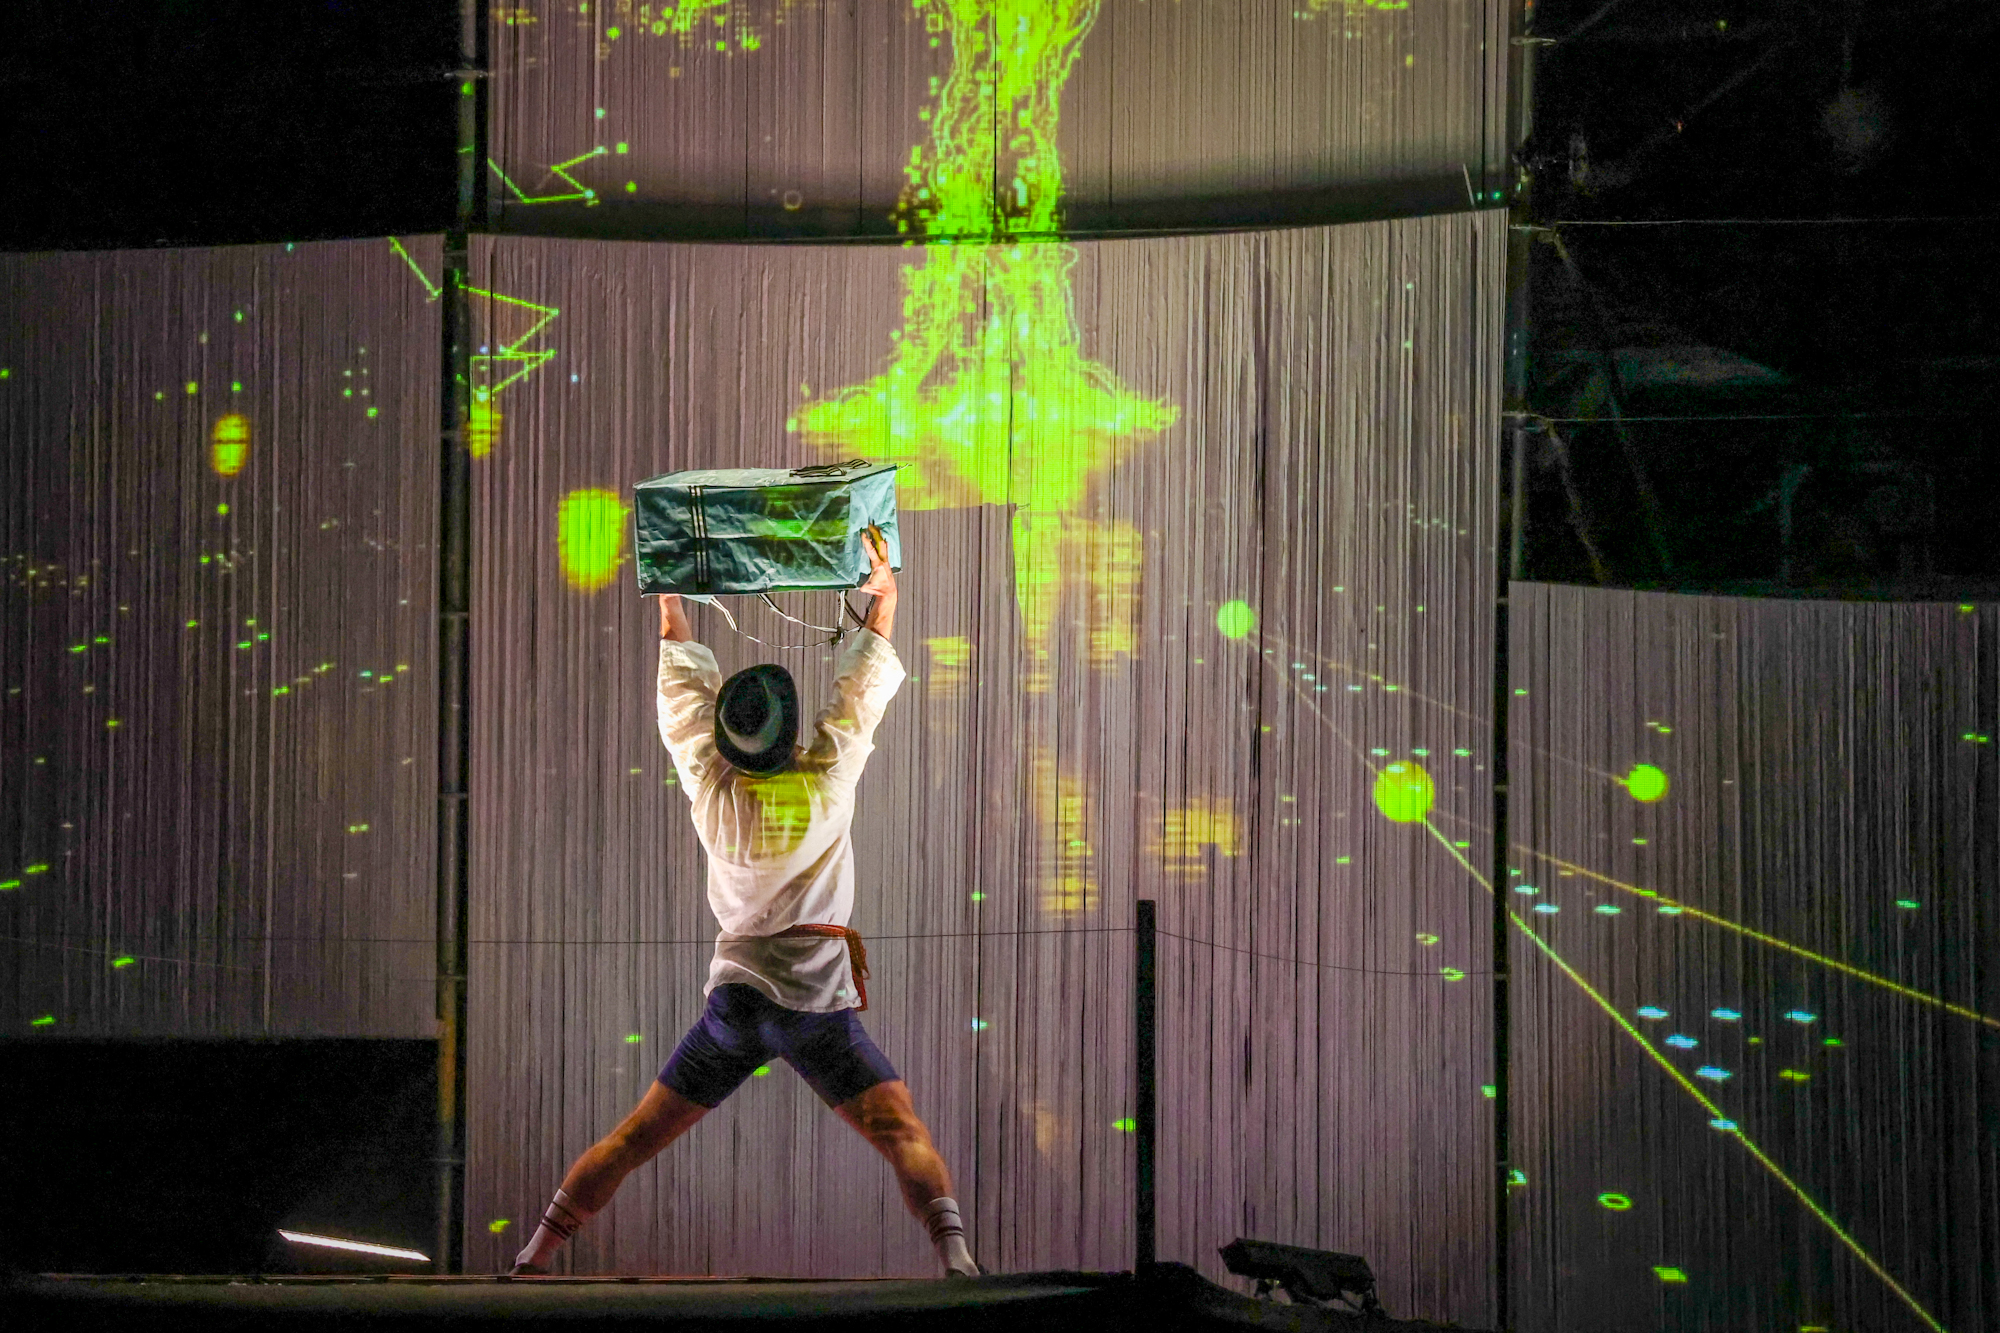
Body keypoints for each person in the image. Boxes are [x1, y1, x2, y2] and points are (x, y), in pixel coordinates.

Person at [511, 528, 977, 1279]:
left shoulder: (711, 785)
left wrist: (671, 594)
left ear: (732, 739)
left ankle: (533, 1256)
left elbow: (681, 701)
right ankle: (956, 1261)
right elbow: (857, 698)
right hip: (813, 1006)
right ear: (788, 734)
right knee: (901, 1130)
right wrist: (883, 599)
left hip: (734, 1005)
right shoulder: (823, 782)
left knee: (634, 1137)